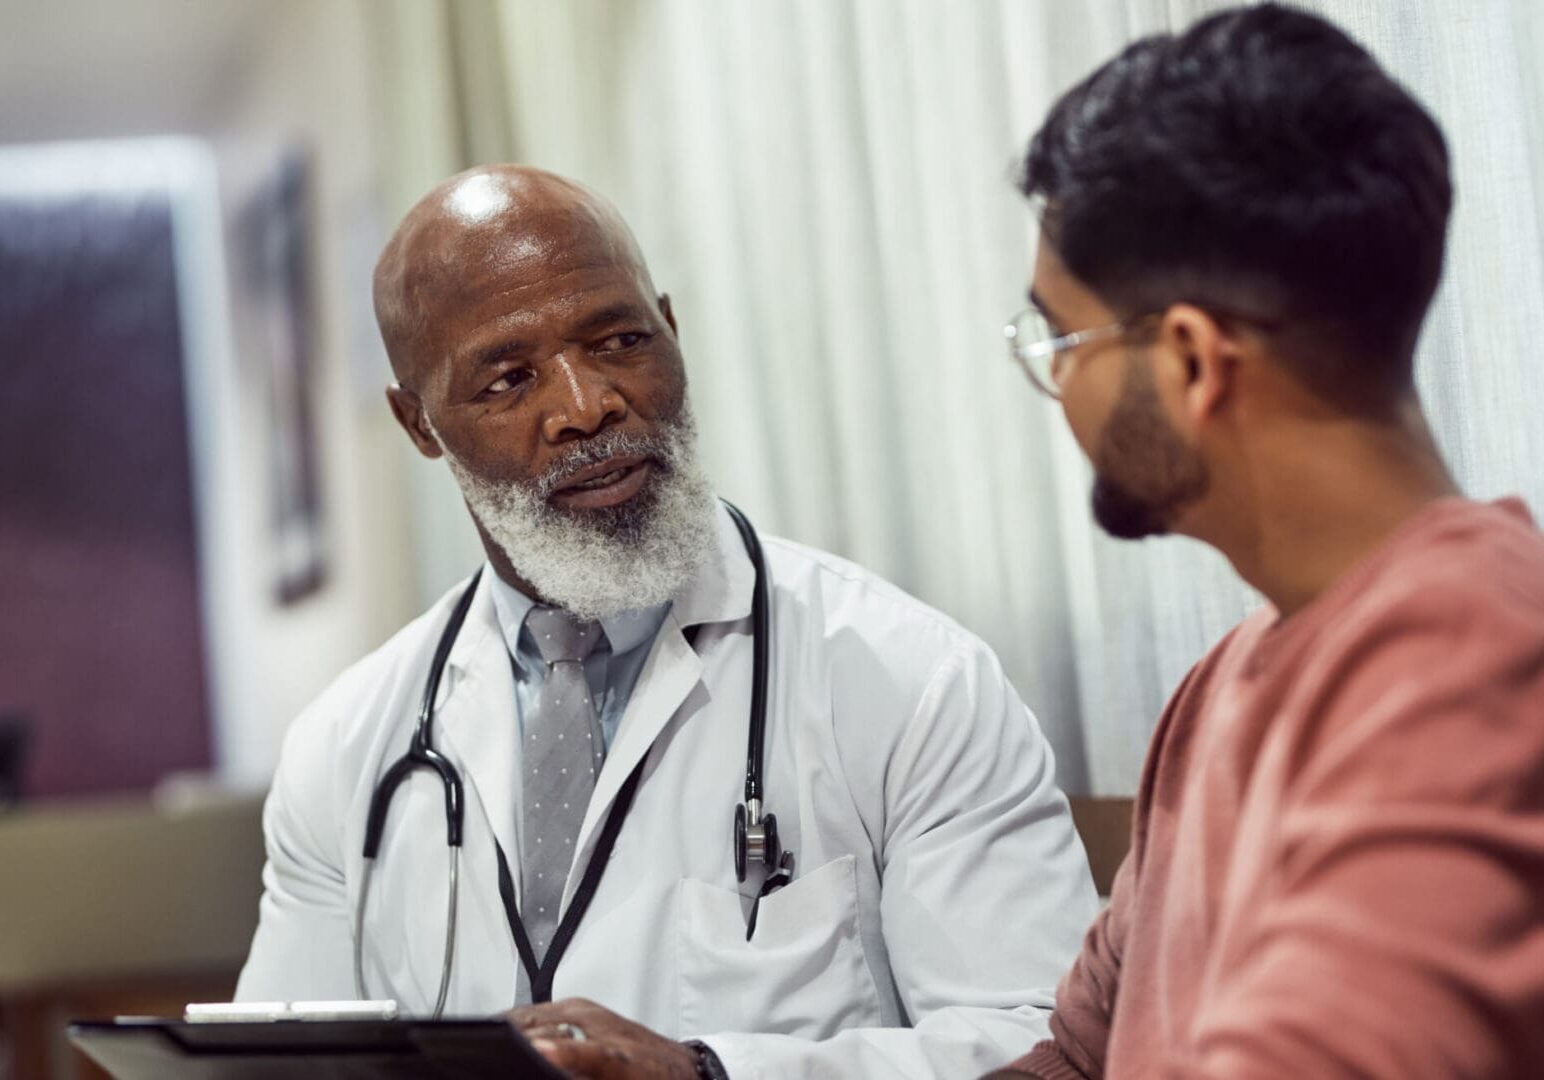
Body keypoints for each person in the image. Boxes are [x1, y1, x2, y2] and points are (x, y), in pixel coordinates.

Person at [235, 164, 1097, 1078]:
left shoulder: (909, 680)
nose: (586, 405)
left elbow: (1042, 1044)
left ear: (673, 331)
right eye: (508, 379)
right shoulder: (344, 747)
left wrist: (710, 1074)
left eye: (618, 340)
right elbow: (278, 1067)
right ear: (419, 425)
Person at [988, 6, 1544, 1078]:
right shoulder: (1216, 691)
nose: (1053, 384)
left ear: (1192, 363)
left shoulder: (1466, 663)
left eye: (1061, 339)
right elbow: (1070, 1062)